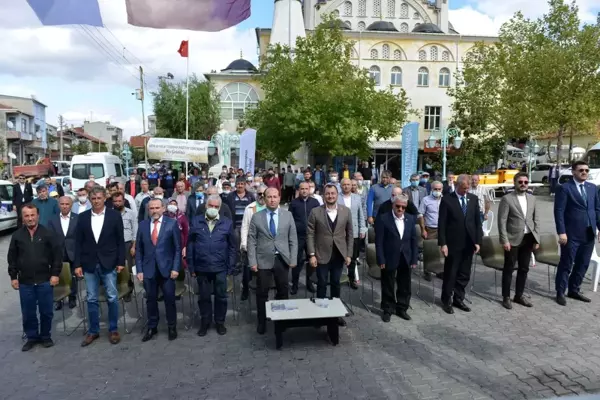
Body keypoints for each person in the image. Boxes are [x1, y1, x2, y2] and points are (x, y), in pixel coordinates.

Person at [74, 186, 126, 346]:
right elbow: (78, 243)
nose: (96, 201)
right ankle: (93, 331)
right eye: (93, 198)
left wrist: (120, 262)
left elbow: (120, 241)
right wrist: (77, 264)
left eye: (99, 198)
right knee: (91, 298)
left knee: (111, 296)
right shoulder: (82, 217)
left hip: (109, 262)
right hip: (89, 263)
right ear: (90, 199)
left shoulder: (114, 216)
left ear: (105, 198)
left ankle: (113, 329)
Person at [8, 204, 62, 351]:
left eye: (32, 215)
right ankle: (31, 337)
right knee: (28, 311)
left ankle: (45, 336)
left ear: (38, 216)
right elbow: (12, 258)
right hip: (25, 281)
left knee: (46, 311)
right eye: (26, 216)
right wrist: (13, 277)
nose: (30, 218)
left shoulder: (48, 234)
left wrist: (55, 274)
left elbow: (57, 256)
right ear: (22, 218)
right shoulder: (17, 236)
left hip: (45, 280)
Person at [247, 187, 298, 335]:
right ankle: (262, 322)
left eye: (275, 197)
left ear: (279, 197)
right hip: (263, 260)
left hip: (282, 259)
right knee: (262, 292)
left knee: (283, 291)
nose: (272, 199)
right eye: (269, 197)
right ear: (265, 198)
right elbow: (251, 241)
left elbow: (293, 239)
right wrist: (252, 261)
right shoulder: (257, 217)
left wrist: (293, 258)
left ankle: (283, 321)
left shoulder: (288, 216)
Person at [187, 194, 236, 336]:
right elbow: (190, 245)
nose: (213, 209)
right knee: (204, 297)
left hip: (220, 267)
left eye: (216, 207)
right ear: (205, 206)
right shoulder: (196, 221)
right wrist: (191, 266)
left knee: (221, 296)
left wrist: (231, 266)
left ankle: (220, 322)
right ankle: (205, 322)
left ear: (220, 208)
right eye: (210, 206)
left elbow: (233, 247)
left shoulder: (227, 223)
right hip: (202, 267)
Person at [554, 160, 600, 306]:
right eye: (581, 170)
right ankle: (560, 292)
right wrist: (561, 232)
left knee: (583, 264)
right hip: (571, 234)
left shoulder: (592, 188)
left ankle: (574, 290)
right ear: (573, 172)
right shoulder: (565, 188)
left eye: (586, 170)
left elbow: (597, 210)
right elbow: (559, 211)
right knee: (566, 264)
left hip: (589, 233)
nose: (584, 173)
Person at [135, 199, 181, 341]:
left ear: (163, 208)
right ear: (148, 210)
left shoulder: (171, 223)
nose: (154, 211)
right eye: (151, 208)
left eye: (157, 208)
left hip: (166, 269)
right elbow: (139, 250)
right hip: (149, 269)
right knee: (151, 300)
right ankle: (152, 327)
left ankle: (172, 326)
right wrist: (139, 270)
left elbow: (178, 249)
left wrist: (175, 268)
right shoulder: (142, 225)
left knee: (169, 298)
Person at [307, 184, 353, 326]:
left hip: (339, 254)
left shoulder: (346, 211)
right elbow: (310, 234)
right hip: (321, 254)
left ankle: (336, 315)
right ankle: (320, 316)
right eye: (328, 194)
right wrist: (312, 254)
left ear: (337, 195)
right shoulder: (315, 212)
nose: (330, 196)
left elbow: (350, 234)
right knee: (321, 284)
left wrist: (349, 254)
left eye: (333, 193)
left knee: (336, 284)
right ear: (323, 195)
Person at [438, 174, 482, 315]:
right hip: (453, 243)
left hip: (468, 243)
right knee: (451, 273)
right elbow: (442, 224)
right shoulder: (447, 200)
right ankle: (446, 300)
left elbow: (477, 222)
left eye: (467, 188)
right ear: (457, 185)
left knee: (464, 273)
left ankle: (458, 298)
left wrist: (477, 241)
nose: (466, 191)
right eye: (463, 189)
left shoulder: (473, 199)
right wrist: (443, 243)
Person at [498, 172, 540, 310]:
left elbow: (536, 220)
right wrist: (504, 240)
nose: (523, 184)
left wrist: (537, 238)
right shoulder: (507, 199)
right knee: (509, 269)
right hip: (512, 239)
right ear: (515, 183)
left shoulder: (532, 199)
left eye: (525, 182)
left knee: (524, 268)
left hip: (528, 238)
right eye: (520, 182)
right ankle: (506, 297)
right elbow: (502, 221)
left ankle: (519, 295)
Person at [375, 194, 418, 322]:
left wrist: (414, 259)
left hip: (406, 256)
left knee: (405, 284)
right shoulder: (383, 219)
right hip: (389, 256)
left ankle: (402, 308)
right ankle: (388, 308)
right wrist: (381, 259)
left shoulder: (410, 219)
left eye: (403, 207)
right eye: (398, 206)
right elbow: (379, 241)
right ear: (393, 205)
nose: (400, 209)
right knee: (388, 283)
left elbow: (413, 241)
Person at [289, 181, 321, 294]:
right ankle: (295, 284)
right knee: (296, 261)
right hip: (298, 236)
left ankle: (309, 282)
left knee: (311, 260)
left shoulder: (315, 202)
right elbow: (290, 219)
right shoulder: (294, 203)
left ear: (309, 189)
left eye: (306, 189)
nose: (304, 191)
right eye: (302, 189)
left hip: (312, 236)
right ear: (299, 190)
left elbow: (320, 218)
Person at [48, 196, 79, 311]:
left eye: (67, 204)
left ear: (71, 205)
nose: (64, 206)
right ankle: (59, 299)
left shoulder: (77, 218)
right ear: (59, 205)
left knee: (73, 276)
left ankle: (72, 297)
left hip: (73, 252)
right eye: (62, 204)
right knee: (58, 275)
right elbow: (50, 238)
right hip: (58, 253)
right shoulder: (52, 219)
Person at [338, 178, 366, 289]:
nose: (346, 186)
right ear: (341, 186)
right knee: (338, 257)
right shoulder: (337, 197)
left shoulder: (357, 198)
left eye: (348, 184)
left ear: (351, 186)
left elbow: (361, 215)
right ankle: (337, 278)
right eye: (344, 184)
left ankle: (351, 278)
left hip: (354, 232)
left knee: (353, 257)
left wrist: (362, 229)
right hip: (339, 232)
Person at [113, 193, 138, 302]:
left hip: (127, 243)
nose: (117, 203)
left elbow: (135, 230)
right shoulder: (110, 213)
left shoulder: (131, 213)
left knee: (128, 267)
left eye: (119, 201)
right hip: (113, 244)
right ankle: (118, 288)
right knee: (116, 267)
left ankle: (128, 290)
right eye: (115, 201)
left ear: (123, 201)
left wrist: (134, 246)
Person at [167, 199, 189, 270]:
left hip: (179, 243)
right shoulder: (163, 215)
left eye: (174, 204)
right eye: (171, 204)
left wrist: (185, 246)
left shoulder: (181, 216)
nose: (172, 205)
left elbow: (186, 232)